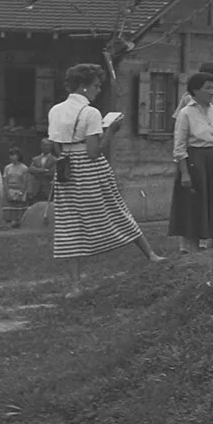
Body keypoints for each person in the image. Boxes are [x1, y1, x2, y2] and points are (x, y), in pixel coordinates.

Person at [46, 62, 168, 292]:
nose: (98, 90)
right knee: (115, 208)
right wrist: (111, 130)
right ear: (83, 87)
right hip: (90, 169)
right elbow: (94, 152)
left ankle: (75, 285)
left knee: (70, 223)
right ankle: (150, 254)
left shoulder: (55, 110)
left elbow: (55, 148)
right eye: (95, 85)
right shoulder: (90, 113)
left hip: (66, 170)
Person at [170, 70, 213, 251]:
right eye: (207, 88)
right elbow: (180, 145)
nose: (212, 92)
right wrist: (184, 173)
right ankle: (191, 246)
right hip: (195, 161)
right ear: (195, 90)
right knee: (194, 206)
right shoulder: (186, 113)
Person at [0, 148, 31, 227]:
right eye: (11, 155)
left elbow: (25, 182)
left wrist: (20, 193)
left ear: (18, 156)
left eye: (14, 155)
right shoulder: (7, 167)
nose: (12, 157)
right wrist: (7, 192)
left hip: (19, 190)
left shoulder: (24, 168)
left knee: (18, 210)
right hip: (9, 189)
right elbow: (5, 181)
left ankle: (18, 223)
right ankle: (8, 224)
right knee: (9, 209)